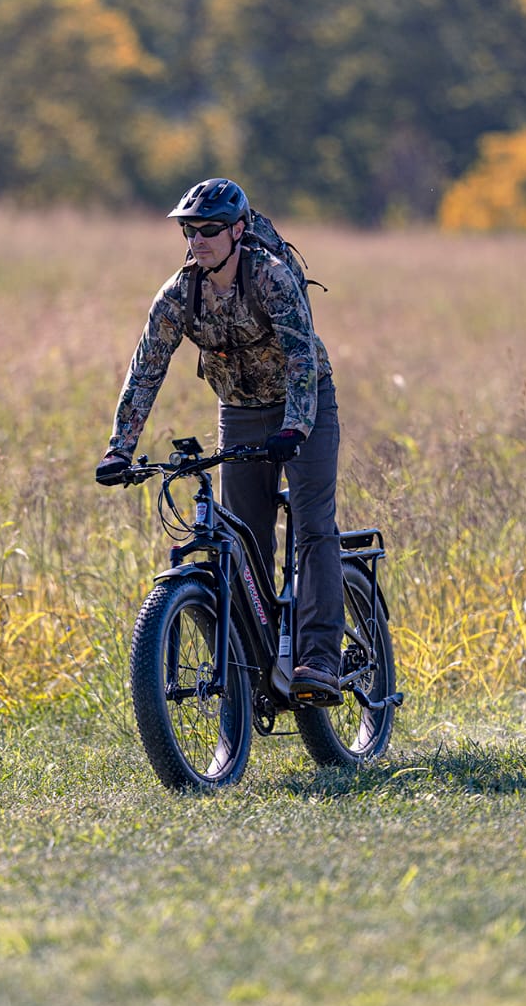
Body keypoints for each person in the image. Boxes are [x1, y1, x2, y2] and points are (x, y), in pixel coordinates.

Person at [95, 177, 345, 706]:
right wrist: (119, 448)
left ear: (237, 230)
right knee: (244, 536)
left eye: (209, 229)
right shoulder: (177, 296)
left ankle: (319, 659)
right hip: (240, 409)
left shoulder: (272, 280)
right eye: (189, 230)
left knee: (313, 523)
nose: (197, 240)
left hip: (305, 406)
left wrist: (297, 428)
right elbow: (146, 371)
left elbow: (303, 358)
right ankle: (256, 659)